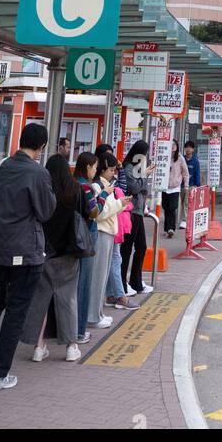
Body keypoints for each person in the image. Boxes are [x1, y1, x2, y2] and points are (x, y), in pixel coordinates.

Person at [0, 122, 56, 392]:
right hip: (26, 257)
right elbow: (46, 210)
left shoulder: (2, 166)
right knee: (15, 313)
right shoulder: (38, 173)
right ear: (41, 147)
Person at [21, 154, 88, 363]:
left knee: (40, 300)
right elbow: (87, 214)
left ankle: (38, 347)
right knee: (68, 299)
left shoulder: (44, 191)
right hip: (69, 253)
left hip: (43, 253)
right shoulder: (76, 191)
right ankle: (71, 346)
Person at [89, 152, 136, 321]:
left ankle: (98, 314)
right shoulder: (98, 187)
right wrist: (120, 203)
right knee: (99, 276)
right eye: (110, 170)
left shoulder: (105, 185)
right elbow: (100, 214)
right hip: (102, 232)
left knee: (102, 275)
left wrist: (120, 204)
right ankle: (94, 316)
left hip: (108, 233)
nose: (113, 173)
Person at [73, 151, 105, 337]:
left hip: (71, 237)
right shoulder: (86, 187)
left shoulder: (70, 183)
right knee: (84, 284)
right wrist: (103, 197)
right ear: (87, 167)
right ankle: (79, 330)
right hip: (86, 236)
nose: (95, 171)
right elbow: (94, 212)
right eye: (94, 167)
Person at [119, 140, 153, 295]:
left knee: (141, 247)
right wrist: (144, 175)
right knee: (127, 249)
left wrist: (143, 177)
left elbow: (144, 190)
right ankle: (123, 285)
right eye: (145, 154)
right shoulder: (129, 168)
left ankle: (135, 282)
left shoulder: (137, 169)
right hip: (131, 213)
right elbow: (134, 188)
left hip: (138, 211)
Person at [162, 139, 188, 237]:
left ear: (177, 146)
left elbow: (185, 173)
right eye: (171, 144)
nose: (172, 146)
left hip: (175, 187)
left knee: (172, 208)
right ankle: (166, 228)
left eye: (174, 145)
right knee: (166, 207)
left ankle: (171, 228)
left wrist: (186, 186)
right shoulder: (164, 156)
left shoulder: (180, 158)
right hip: (164, 187)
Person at [181, 140, 201, 228]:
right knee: (181, 202)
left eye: (190, 147)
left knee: (186, 202)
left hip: (191, 185)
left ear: (193, 149)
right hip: (181, 184)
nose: (188, 149)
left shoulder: (195, 161)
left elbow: (197, 173)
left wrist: (197, 185)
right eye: (186, 147)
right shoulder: (182, 159)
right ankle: (185, 218)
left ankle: (184, 221)